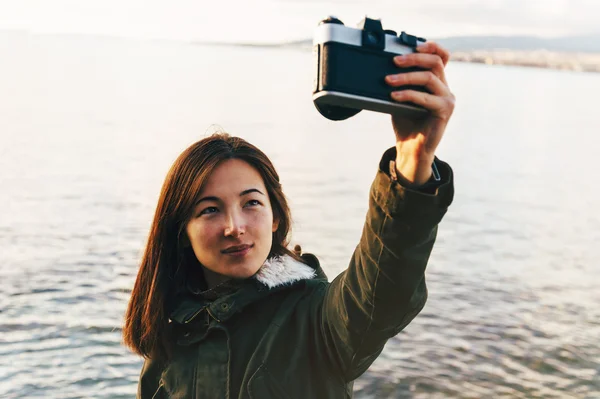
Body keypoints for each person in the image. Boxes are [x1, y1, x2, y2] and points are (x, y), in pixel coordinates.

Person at [123, 41, 456, 398]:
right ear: (180, 231)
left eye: (251, 203)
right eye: (209, 209)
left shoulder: (314, 320)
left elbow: (380, 292)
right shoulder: (171, 340)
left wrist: (411, 163)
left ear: (276, 218)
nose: (235, 226)